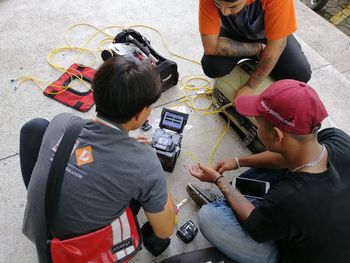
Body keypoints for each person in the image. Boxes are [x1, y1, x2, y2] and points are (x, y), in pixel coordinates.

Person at [20, 56, 176, 262]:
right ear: (139, 114)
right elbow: (165, 229)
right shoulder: (143, 162)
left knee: (37, 127)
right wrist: (155, 178)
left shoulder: (63, 122)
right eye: (150, 107)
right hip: (78, 252)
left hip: (38, 228)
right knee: (148, 198)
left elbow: (92, 152)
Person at [188, 79, 350, 263]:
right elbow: (286, 158)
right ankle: (246, 203)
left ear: (276, 135)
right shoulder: (337, 138)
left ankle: (236, 203)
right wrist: (238, 161)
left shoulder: (290, 197)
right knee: (267, 169)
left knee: (209, 216)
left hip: (296, 254)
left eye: (257, 123)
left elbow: (254, 225)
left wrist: (220, 181)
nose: (256, 126)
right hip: (327, 231)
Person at [199, 0, 312, 99]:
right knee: (212, 67)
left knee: (300, 74)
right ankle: (257, 54)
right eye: (218, 4)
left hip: (269, 36)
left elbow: (276, 47)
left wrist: (250, 86)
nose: (224, 12)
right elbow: (211, 46)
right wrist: (257, 49)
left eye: (233, 6)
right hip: (233, 33)